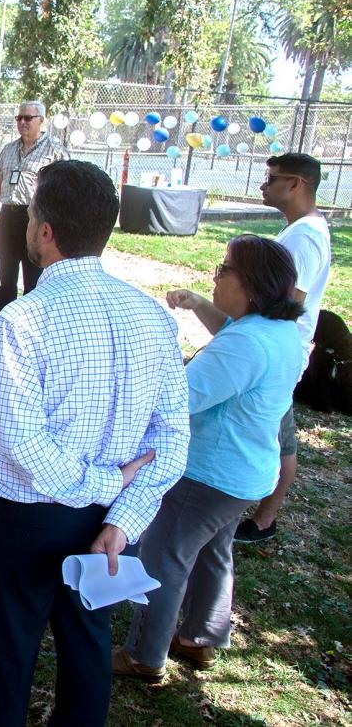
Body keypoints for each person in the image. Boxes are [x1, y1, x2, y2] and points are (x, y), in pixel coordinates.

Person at [0, 159, 189, 727]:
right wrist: (123, 518)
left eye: (32, 214)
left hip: (30, 518)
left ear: (43, 231)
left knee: (8, 659)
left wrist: (111, 492)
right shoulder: (154, 317)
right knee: (88, 646)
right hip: (111, 519)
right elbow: (171, 439)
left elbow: (23, 444)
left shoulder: (24, 318)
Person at [113, 236, 305, 681]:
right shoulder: (275, 331)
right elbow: (234, 333)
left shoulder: (245, 347)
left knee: (164, 558)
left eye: (224, 270)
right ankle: (200, 638)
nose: (216, 275)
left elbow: (181, 397)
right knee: (213, 553)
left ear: (252, 285)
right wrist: (201, 304)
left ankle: (145, 655)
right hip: (245, 475)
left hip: (207, 475)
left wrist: (140, 369)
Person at [235, 153, 331, 544]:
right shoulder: (300, 230)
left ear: (296, 184)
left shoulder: (304, 238)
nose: (263, 184)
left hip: (279, 349)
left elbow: (290, 300)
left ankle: (265, 518)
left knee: (281, 434)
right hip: (274, 345)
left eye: (271, 178)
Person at [0, 100, 67, 313]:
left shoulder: (54, 149)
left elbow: (64, 185)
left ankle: (30, 327)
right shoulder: (8, 149)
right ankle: (1, 326)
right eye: (19, 118)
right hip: (8, 215)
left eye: (28, 118)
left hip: (36, 218)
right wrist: (10, 201)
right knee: (6, 277)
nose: (22, 122)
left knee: (32, 279)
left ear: (41, 120)